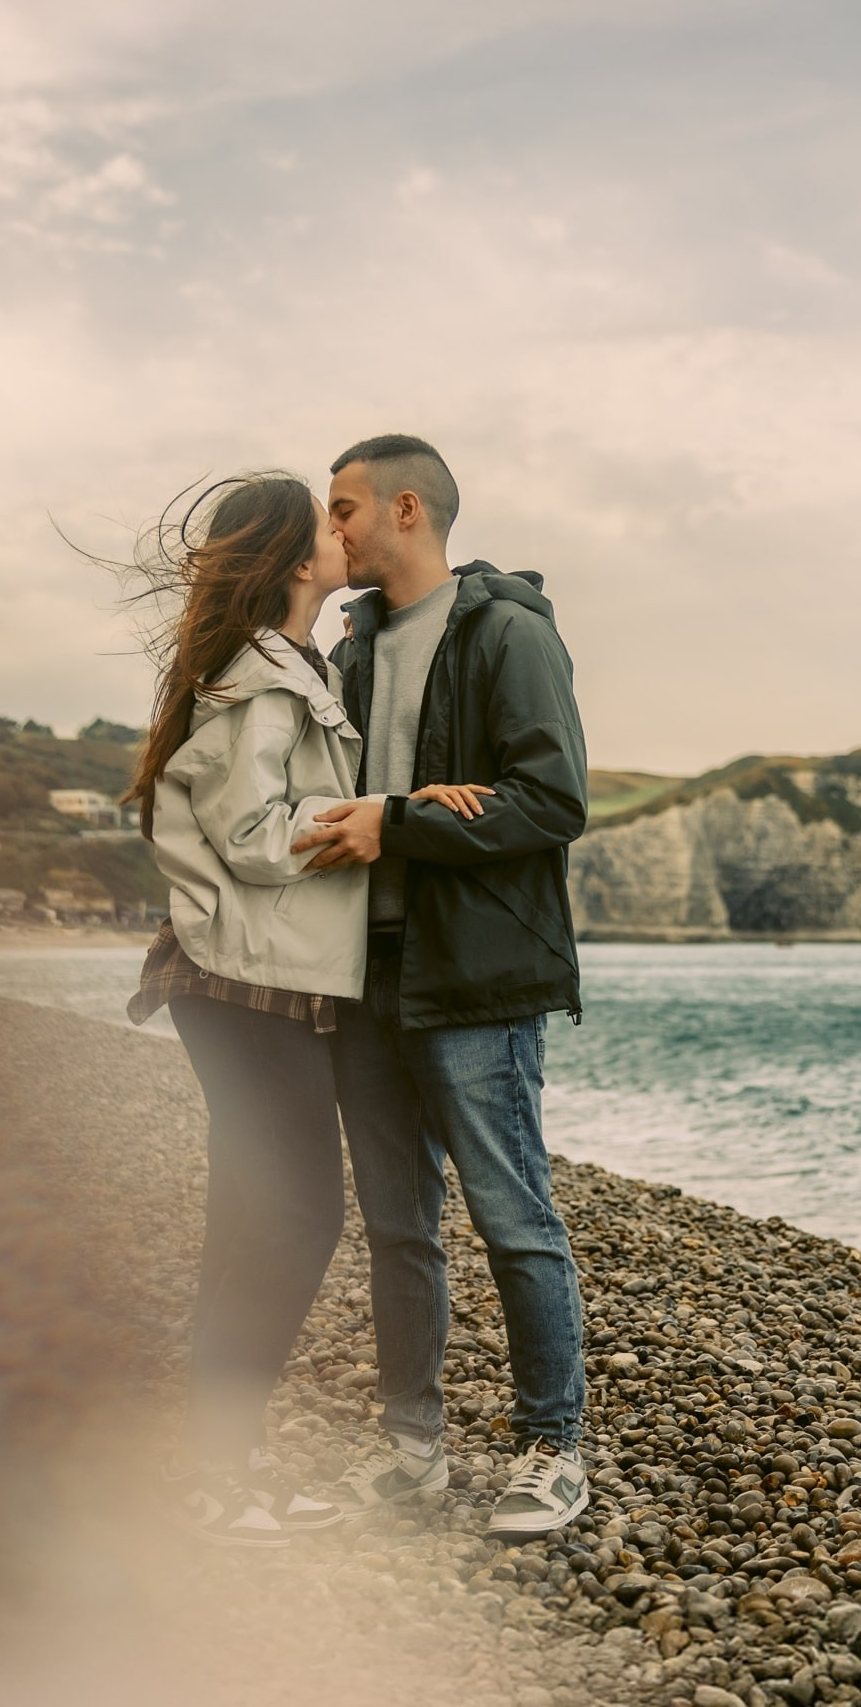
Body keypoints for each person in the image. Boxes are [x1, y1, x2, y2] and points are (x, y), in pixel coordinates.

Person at [293, 434, 595, 1538]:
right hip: (364, 976)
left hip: (476, 979)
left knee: (515, 1220)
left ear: (406, 508)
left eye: (343, 508)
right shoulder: (355, 649)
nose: (332, 528)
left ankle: (553, 1451)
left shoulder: (508, 632)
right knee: (397, 1229)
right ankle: (412, 1455)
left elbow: (553, 801)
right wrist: (407, 808)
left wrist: (401, 820)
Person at [120, 472, 370, 1547]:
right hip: (239, 978)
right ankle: (214, 1482)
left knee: (251, 1223)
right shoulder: (264, 684)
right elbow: (260, 839)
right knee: (298, 1218)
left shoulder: (284, 668)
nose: (343, 533)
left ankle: (216, 1472)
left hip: (245, 976)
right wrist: (381, 816)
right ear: (297, 561)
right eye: (327, 523)